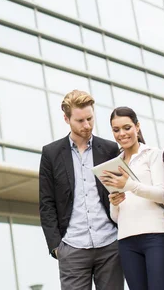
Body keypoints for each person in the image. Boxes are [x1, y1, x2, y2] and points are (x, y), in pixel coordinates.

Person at [39, 90, 123, 290]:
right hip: (71, 247)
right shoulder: (51, 154)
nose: (87, 125)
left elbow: (121, 191)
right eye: (80, 121)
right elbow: (46, 202)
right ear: (66, 118)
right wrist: (57, 247)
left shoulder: (110, 149)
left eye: (90, 118)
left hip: (110, 245)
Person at [100, 107, 164, 290]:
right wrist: (114, 203)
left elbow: (162, 195)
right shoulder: (114, 164)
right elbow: (116, 217)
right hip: (126, 240)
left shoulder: (152, 154)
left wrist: (130, 185)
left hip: (156, 237)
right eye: (116, 130)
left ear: (137, 127)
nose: (122, 134)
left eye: (127, 127)